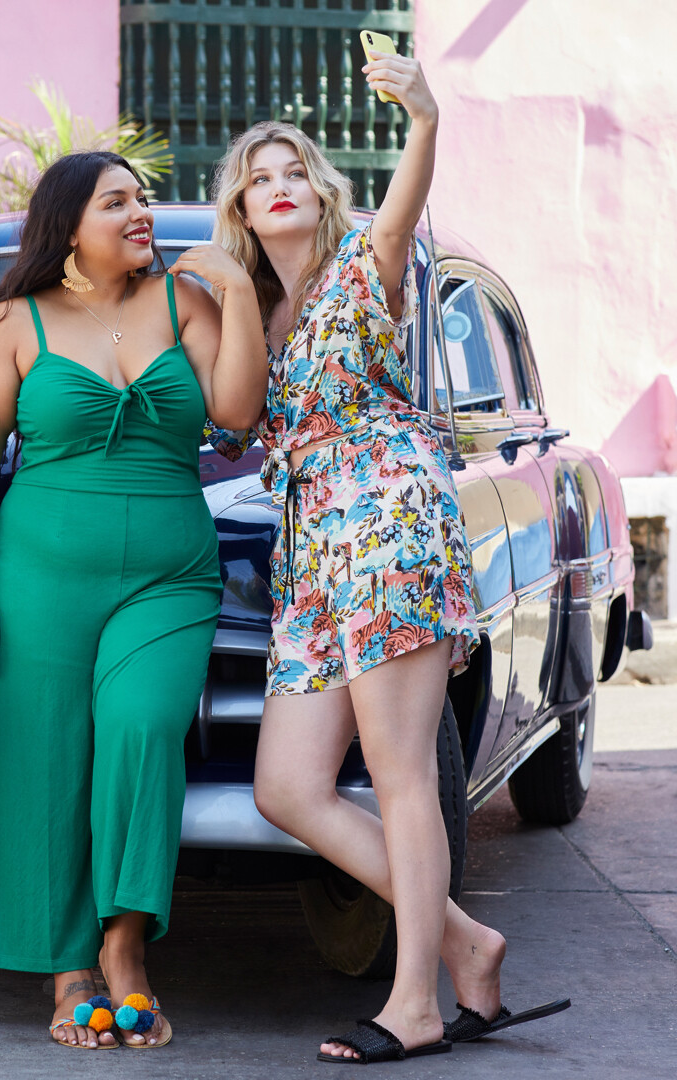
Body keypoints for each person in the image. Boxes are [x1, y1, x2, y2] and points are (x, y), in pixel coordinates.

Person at [209, 55, 565, 1065]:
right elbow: (231, 420)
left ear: (320, 190)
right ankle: (465, 941)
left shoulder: (366, 264)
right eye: (259, 177)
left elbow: (405, 207)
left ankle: (415, 1003)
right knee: (287, 784)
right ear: (241, 206)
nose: (280, 185)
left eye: (295, 170)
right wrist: (222, 292)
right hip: (311, 556)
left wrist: (423, 117)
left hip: (387, 524)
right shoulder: (256, 313)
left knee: (403, 774)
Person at [0, 151, 265, 1049]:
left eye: (142, 197)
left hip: (169, 573)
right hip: (38, 573)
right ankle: (69, 971)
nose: (141, 212)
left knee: (140, 727)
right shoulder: (13, 322)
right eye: (116, 201)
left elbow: (238, 412)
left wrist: (239, 292)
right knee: (43, 756)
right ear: (67, 224)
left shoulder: (184, 301)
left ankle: (124, 945)